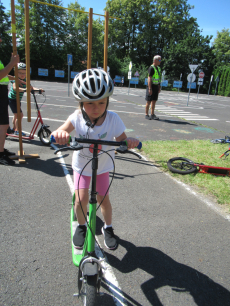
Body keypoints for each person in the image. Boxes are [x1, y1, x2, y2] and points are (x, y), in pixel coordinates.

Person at [52, 68, 139, 250]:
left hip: (103, 167)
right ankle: (82, 226)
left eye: (101, 102)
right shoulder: (76, 117)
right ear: (81, 102)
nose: (96, 108)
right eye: (90, 103)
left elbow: (122, 140)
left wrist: (128, 142)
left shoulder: (113, 119)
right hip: (82, 165)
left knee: (103, 199)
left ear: (107, 101)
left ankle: (108, 227)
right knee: (80, 199)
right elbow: (60, 131)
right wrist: (59, 134)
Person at [8, 62, 43, 136]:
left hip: (18, 100)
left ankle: (14, 129)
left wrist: (39, 90)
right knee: (19, 115)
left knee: (16, 115)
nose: (22, 74)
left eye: (24, 73)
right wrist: (24, 90)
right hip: (12, 100)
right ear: (16, 73)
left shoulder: (26, 80)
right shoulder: (15, 79)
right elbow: (15, 88)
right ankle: (17, 130)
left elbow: (31, 88)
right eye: (20, 73)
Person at [0, 37, 20, 166]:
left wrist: (11, 76)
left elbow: (3, 74)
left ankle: (1, 149)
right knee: (2, 124)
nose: (1, 40)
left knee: (3, 124)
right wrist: (12, 63)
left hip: (2, 91)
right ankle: (0, 154)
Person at [145, 55, 162, 120]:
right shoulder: (151, 68)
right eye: (159, 60)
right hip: (151, 86)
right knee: (149, 101)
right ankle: (146, 114)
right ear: (155, 60)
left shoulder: (158, 68)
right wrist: (150, 88)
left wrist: (159, 86)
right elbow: (149, 78)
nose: (160, 62)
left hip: (156, 86)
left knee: (154, 101)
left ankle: (152, 114)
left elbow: (159, 79)